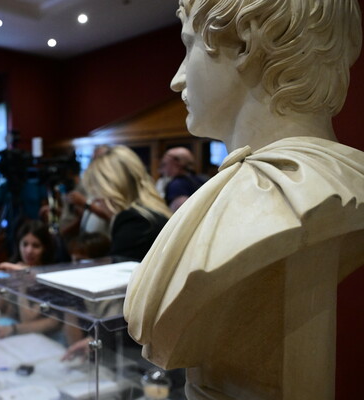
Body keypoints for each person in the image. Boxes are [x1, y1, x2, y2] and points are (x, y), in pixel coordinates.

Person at [124, 1, 364, 399]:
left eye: (189, 46)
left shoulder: (286, 198)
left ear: (245, 44)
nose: (177, 80)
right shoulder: (340, 180)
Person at [82, 145, 172, 261]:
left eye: (97, 189)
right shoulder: (155, 213)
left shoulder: (135, 221)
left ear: (112, 186)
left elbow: (121, 269)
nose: (96, 199)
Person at [0, 220, 60, 339]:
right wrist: (5, 284)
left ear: (45, 249)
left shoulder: (48, 278)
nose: (29, 251)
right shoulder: (15, 267)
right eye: (25, 244)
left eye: (36, 246)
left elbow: (27, 319)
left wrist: (22, 283)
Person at [160, 146, 207, 212]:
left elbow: (181, 214)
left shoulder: (176, 185)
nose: (162, 170)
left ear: (175, 163)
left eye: (165, 164)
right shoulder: (203, 179)